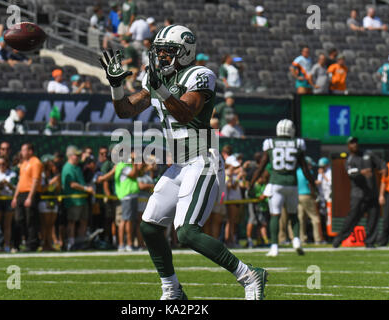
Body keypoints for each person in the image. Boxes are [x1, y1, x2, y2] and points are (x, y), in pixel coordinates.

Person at [100, 24, 267, 300]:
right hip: (179, 164)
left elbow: (186, 112)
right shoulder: (155, 78)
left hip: (203, 159)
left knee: (187, 232)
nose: (162, 57)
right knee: (150, 226)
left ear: (186, 52)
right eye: (160, 52)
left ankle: (249, 275)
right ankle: (172, 289)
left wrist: (160, 89)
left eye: (168, 52)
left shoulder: (200, 75)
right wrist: (116, 86)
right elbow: (126, 110)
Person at [248, 119, 317, 257]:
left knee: (275, 215)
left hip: (276, 183)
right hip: (292, 184)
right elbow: (304, 168)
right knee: (293, 215)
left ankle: (274, 246)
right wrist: (313, 185)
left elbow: (261, 167)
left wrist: (251, 184)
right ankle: (296, 240)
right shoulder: (298, 143)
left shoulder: (270, 143)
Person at [333, 137, 387, 248]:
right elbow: (350, 173)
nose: (354, 145)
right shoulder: (349, 159)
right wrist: (361, 172)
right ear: (348, 146)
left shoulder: (368, 154)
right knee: (352, 219)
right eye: (351, 143)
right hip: (358, 195)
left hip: (372, 193)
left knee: (373, 218)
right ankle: (339, 239)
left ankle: (370, 242)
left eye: (355, 142)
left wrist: (383, 168)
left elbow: (381, 163)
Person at [11, 143, 43, 252]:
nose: (22, 152)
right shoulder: (24, 163)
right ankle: (23, 241)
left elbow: (35, 180)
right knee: (19, 219)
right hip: (21, 193)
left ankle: (32, 243)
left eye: (24, 150)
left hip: (30, 193)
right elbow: (20, 181)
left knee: (31, 219)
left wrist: (30, 197)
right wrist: (15, 197)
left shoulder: (36, 162)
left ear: (30, 151)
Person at [61, 146, 94, 251]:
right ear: (70, 156)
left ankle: (81, 242)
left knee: (84, 220)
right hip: (73, 200)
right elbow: (72, 184)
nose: (79, 157)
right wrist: (85, 188)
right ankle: (71, 243)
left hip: (82, 200)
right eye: (77, 155)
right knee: (72, 221)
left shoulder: (77, 167)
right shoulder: (68, 167)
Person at [297, 157, 324, 244]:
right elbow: (310, 184)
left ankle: (302, 238)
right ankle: (318, 239)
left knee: (301, 219)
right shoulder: (308, 172)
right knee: (315, 218)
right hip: (307, 196)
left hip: (298, 196)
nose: (311, 167)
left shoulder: (297, 172)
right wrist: (315, 195)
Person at [39, 156, 61, 251]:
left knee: (51, 225)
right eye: (50, 161)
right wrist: (51, 182)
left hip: (53, 201)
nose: (52, 163)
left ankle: (49, 244)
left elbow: (58, 189)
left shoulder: (53, 174)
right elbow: (41, 189)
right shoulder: (42, 175)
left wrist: (57, 183)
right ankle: (44, 244)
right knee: (45, 224)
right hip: (44, 201)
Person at [246, 172, 270, 248]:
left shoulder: (263, 185)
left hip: (261, 207)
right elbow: (249, 194)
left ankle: (260, 240)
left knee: (261, 224)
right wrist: (260, 197)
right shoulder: (254, 186)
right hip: (253, 206)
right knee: (252, 221)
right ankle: (249, 240)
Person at [378, 160, 389, 246]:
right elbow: (383, 181)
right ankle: (383, 241)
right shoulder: (388, 166)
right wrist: (381, 195)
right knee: (387, 219)